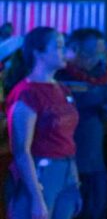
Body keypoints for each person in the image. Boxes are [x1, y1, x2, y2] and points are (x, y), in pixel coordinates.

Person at [5, 27, 82, 219]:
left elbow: (67, 138)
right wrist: (36, 198)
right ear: (38, 53)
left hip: (67, 169)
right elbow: (21, 150)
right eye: (58, 47)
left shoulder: (63, 89)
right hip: (40, 171)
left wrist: (74, 179)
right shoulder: (27, 93)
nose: (65, 52)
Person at [56, 28, 107, 219]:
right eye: (93, 49)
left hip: (96, 160)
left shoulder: (105, 78)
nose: (98, 54)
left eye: (101, 49)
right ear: (77, 48)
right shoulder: (60, 76)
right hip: (64, 161)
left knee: (96, 211)